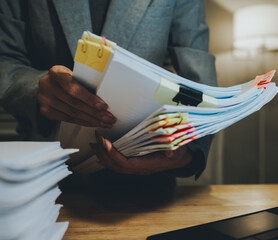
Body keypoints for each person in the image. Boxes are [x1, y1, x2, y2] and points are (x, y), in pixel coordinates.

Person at [0, 0, 217, 189]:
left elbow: (199, 83)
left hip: (146, 188)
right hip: (43, 178)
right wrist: (35, 90)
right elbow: (6, 60)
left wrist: (187, 151)